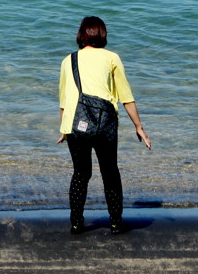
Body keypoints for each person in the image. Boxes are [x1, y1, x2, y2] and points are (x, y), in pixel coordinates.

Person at [57, 15, 151, 235]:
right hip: (105, 124)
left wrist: (64, 129)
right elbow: (126, 96)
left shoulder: (68, 60)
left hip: (74, 125)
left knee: (80, 173)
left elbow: (64, 99)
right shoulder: (112, 58)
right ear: (102, 34)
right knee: (110, 173)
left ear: (81, 35)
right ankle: (116, 223)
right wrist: (139, 127)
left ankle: (76, 223)